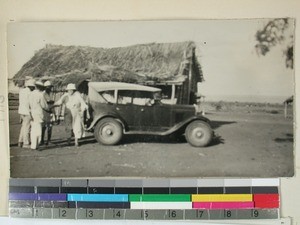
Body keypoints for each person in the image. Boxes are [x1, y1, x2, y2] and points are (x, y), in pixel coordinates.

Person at [29, 80, 49, 150]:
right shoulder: (40, 95)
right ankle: (36, 144)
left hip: (32, 113)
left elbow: (28, 104)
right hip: (38, 113)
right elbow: (44, 105)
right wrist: (49, 109)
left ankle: (33, 145)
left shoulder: (31, 94)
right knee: (38, 131)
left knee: (33, 130)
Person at [18, 79, 35, 148]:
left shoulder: (22, 91)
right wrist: (31, 112)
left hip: (21, 111)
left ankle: (20, 141)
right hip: (27, 111)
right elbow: (29, 103)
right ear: (31, 86)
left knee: (24, 126)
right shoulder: (30, 93)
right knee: (27, 127)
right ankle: (26, 143)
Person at [41, 80, 55, 145]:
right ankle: (42, 140)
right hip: (45, 111)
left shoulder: (50, 94)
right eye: (48, 87)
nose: (49, 88)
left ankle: (48, 140)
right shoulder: (43, 94)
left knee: (50, 126)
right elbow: (44, 103)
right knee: (43, 126)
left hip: (50, 110)